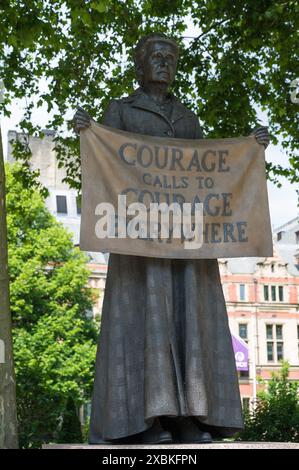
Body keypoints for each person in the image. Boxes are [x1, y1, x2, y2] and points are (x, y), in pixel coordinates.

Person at [74, 33, 270, 445]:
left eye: (171, 57)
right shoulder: (121, 111)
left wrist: (249, 150)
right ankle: (141, 422)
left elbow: (211, 175)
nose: (164, 63)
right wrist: (88, 134)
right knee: (143, 321)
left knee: (190, 322)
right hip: (139, 242)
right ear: (140, 64)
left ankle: (188, 417)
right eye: (156, 56)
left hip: (185, 240)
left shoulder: (187, 118)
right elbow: (105, 166)